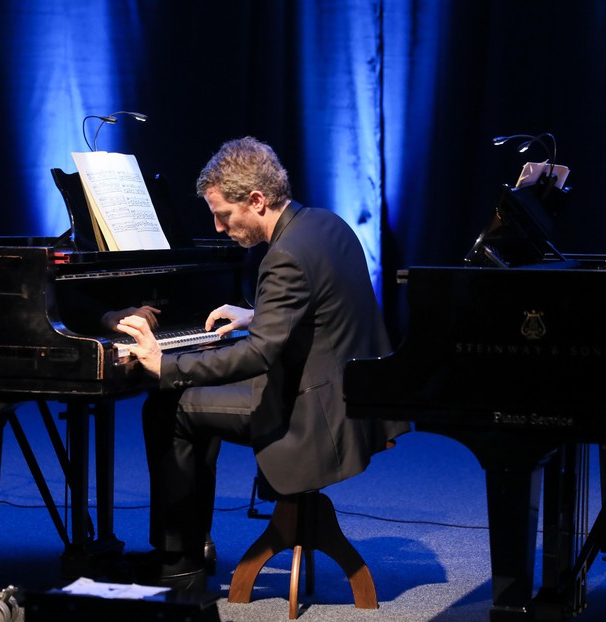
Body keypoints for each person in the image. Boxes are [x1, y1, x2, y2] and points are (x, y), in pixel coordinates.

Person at [115, 136, 410, 590]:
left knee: (167, 406)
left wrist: (163, 365)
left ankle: (180, 561)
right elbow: (324, 310)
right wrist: (259, 314)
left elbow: (257, 355)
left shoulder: (284, 255)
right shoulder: (325, 225)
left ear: (256, 200)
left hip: (312, 415)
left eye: (223, 215)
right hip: (352, 396)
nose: (217, 227)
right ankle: (195, 542)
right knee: (188, 400)